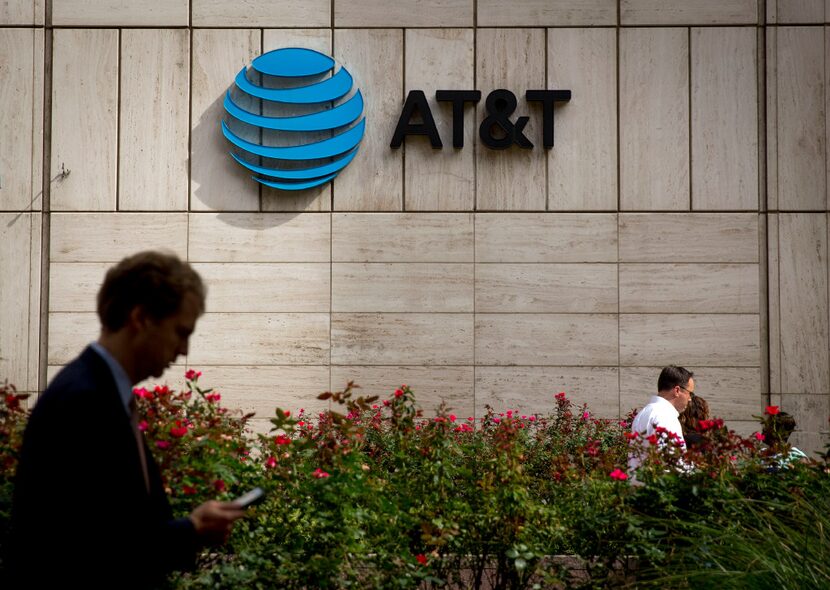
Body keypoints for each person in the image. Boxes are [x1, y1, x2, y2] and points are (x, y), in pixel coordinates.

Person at [8, 251, 245, 589]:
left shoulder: (102, 391)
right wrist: (190, 530)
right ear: (141, 318)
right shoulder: (84, 399)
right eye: (181, 331)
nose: (183, 350)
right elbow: (92, 549)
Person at [628, 365, 695, 473]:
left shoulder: (644, 413)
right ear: (677, 390)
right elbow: (671, 463)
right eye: (690, 393)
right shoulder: (664, 416)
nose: (690, 399)